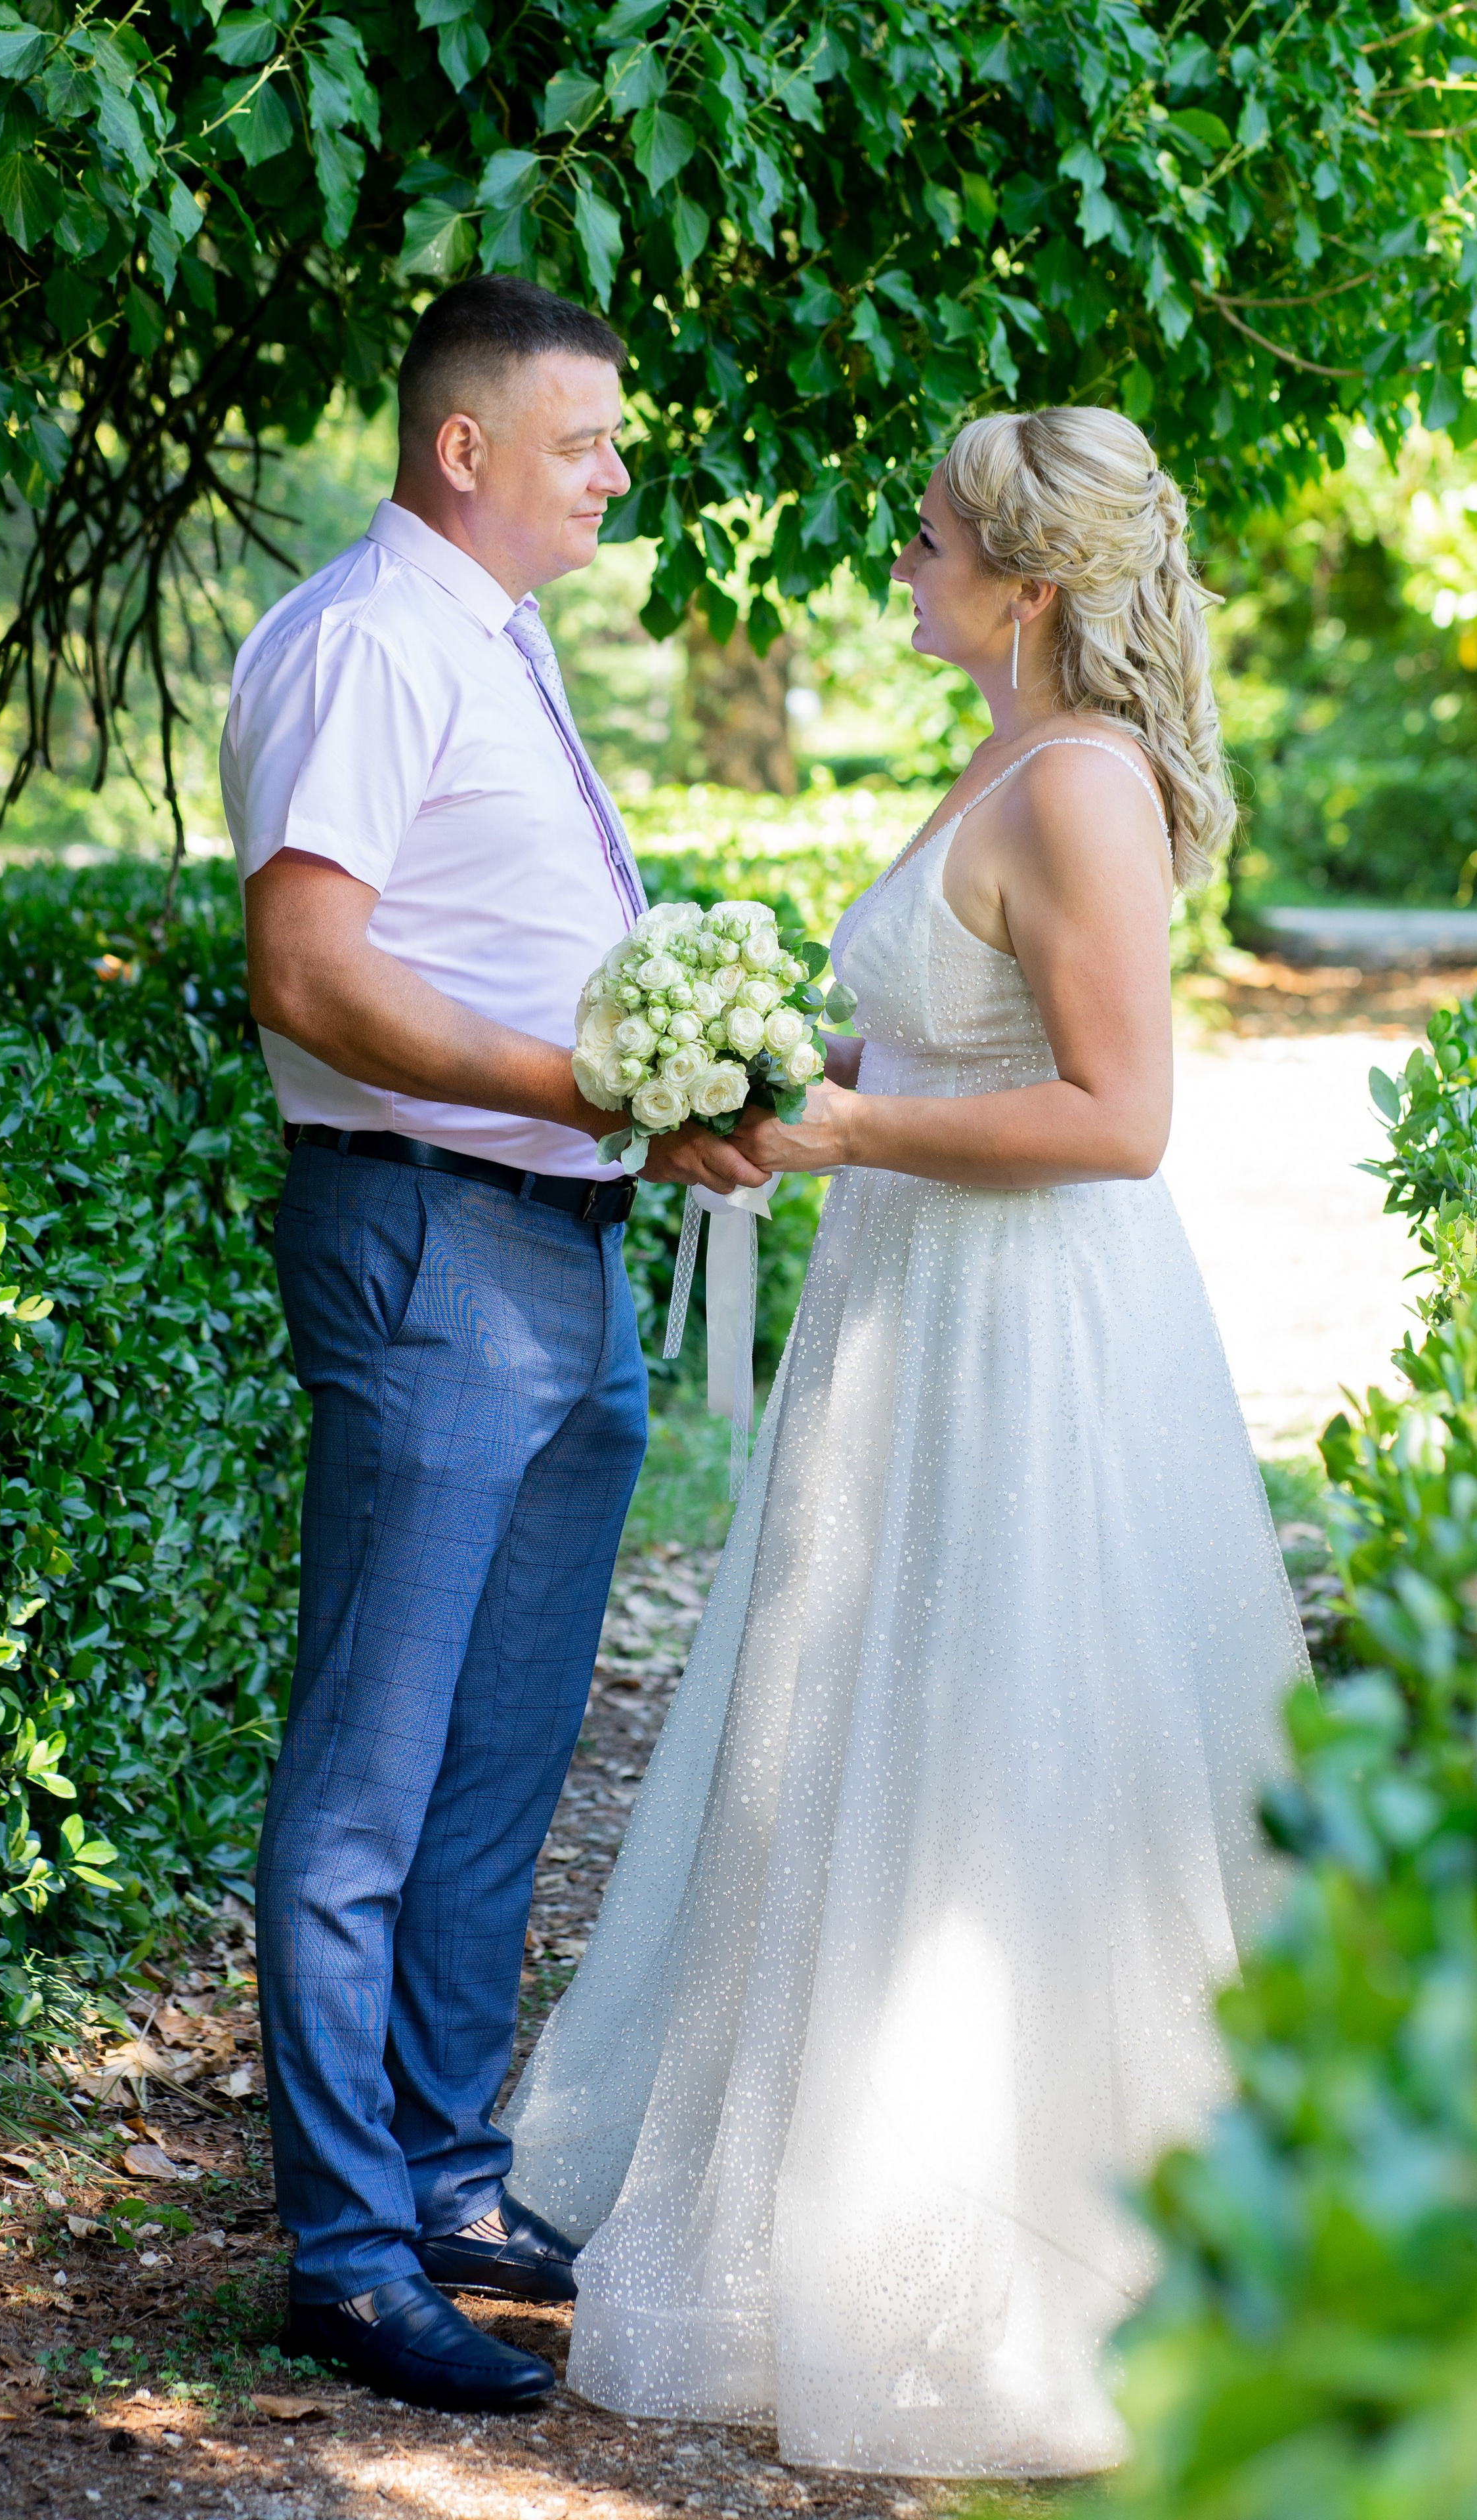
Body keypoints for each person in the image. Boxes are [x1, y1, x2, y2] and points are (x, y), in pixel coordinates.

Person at [503, 407, 1310, 2477]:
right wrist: (794, 1070)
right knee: (867, 1736)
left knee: (1008, 1733)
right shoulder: (1002, 754)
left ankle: (1049, 2262)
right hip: (913, 1307)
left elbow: (1120, 1119)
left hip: (1026, 1332)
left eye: (934, 536)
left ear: (1029, 585)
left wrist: (852, 1126)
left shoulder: (1090, 785)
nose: (905, 562)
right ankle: (829, 2217)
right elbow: (980, 1031)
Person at [223, 275, 768, 2416]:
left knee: (497, 1758)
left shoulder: (493, 641)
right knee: (370, 1766)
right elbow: (310, 975)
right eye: (588, 439)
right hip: (438, 1238)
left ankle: (447, 2173)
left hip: (561, 1247)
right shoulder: (368, 638)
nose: (619, 469)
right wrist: (597, 1088)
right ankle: (346, 2252)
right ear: (467, 451)